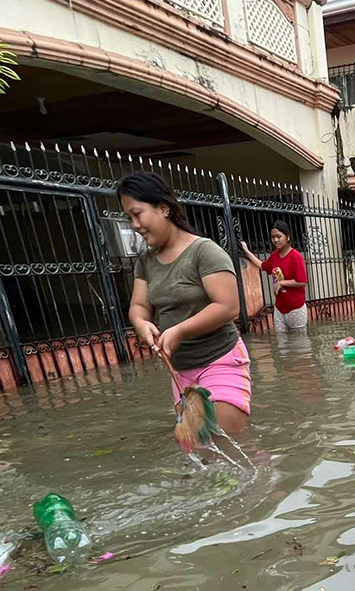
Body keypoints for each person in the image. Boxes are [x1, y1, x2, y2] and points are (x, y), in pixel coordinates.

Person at [120, 171, 250, 435]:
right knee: (197, 449)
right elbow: (139, 306)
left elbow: (228, 306)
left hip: (220, 360)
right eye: (129, 218)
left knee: (227, 443)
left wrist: (179, 330)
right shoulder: (145, 262)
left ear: (164, 208)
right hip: (180, 370)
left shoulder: (204, 252)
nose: (134, 225)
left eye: (138, 213)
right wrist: (141, 323)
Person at [240, 221, 308, 332]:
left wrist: (281, 283)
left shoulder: (295, 256)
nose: (275, 240)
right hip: (279, 309)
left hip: (296, 308)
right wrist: (247, 252)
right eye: (272, 237)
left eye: (278, 236)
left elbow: (302, 281)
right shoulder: (274, 256)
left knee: (299, 344)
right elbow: (262, 266)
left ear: (288, 237)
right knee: (281, 343)